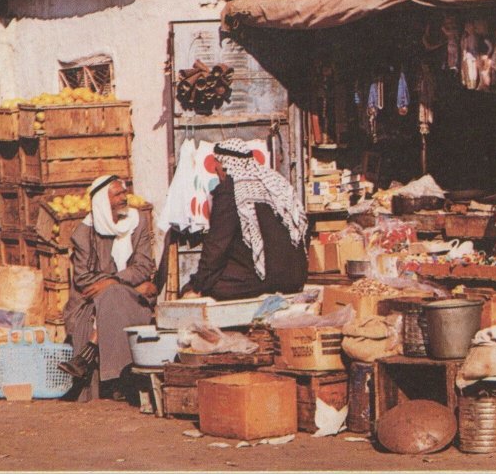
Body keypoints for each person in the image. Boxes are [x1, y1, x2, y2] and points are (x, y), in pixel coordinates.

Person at [59, 175, 156, 401]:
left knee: (114, 294)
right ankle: (118, 378)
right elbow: (84, 280)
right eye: (118, 194)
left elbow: (144, 265)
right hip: (90, 303)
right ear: (103, 201)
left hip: (132, 299)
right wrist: (121, 284)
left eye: (125, 192)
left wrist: (114, 281)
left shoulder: (137, 221)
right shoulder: (84, 233)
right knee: (112, 297)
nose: (125, 198)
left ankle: (89, 354)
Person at [180, 138, 309, 301]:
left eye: (216, 165)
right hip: (293, 279)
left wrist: (197, 286)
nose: (215, 171)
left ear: (224, 165)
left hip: (261, 281)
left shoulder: (230, 191)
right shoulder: (276, 183)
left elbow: (216, 246)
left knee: (201, 287)